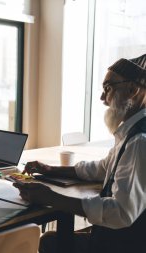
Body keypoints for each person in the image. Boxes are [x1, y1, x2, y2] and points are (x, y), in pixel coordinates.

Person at [14, 54, 146, 253]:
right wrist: (51, 169)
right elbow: (102, 169)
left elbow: (121, 213)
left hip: (125, 245)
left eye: (108, 88)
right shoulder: (131, 132)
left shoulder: (139, 141)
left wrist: (51, 198)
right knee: (51, 239)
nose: (102, 99)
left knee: (49, 243)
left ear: (133, 90)